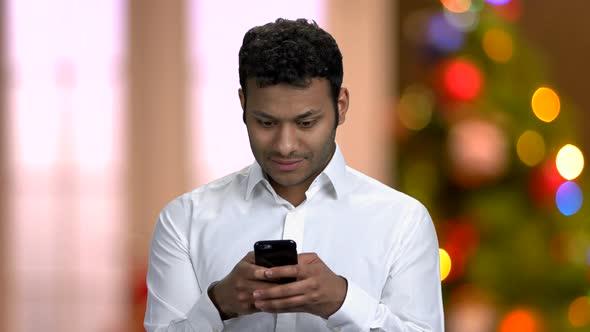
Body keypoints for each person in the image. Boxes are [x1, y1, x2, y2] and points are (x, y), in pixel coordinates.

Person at [144, 18, 444, 331]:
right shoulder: (184, 220)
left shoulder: (403, 222)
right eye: (267, 123)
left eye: (305, 123)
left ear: (340, 106)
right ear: (243, 105)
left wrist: (342, 302)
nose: (285, 146)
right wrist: (219, 305)